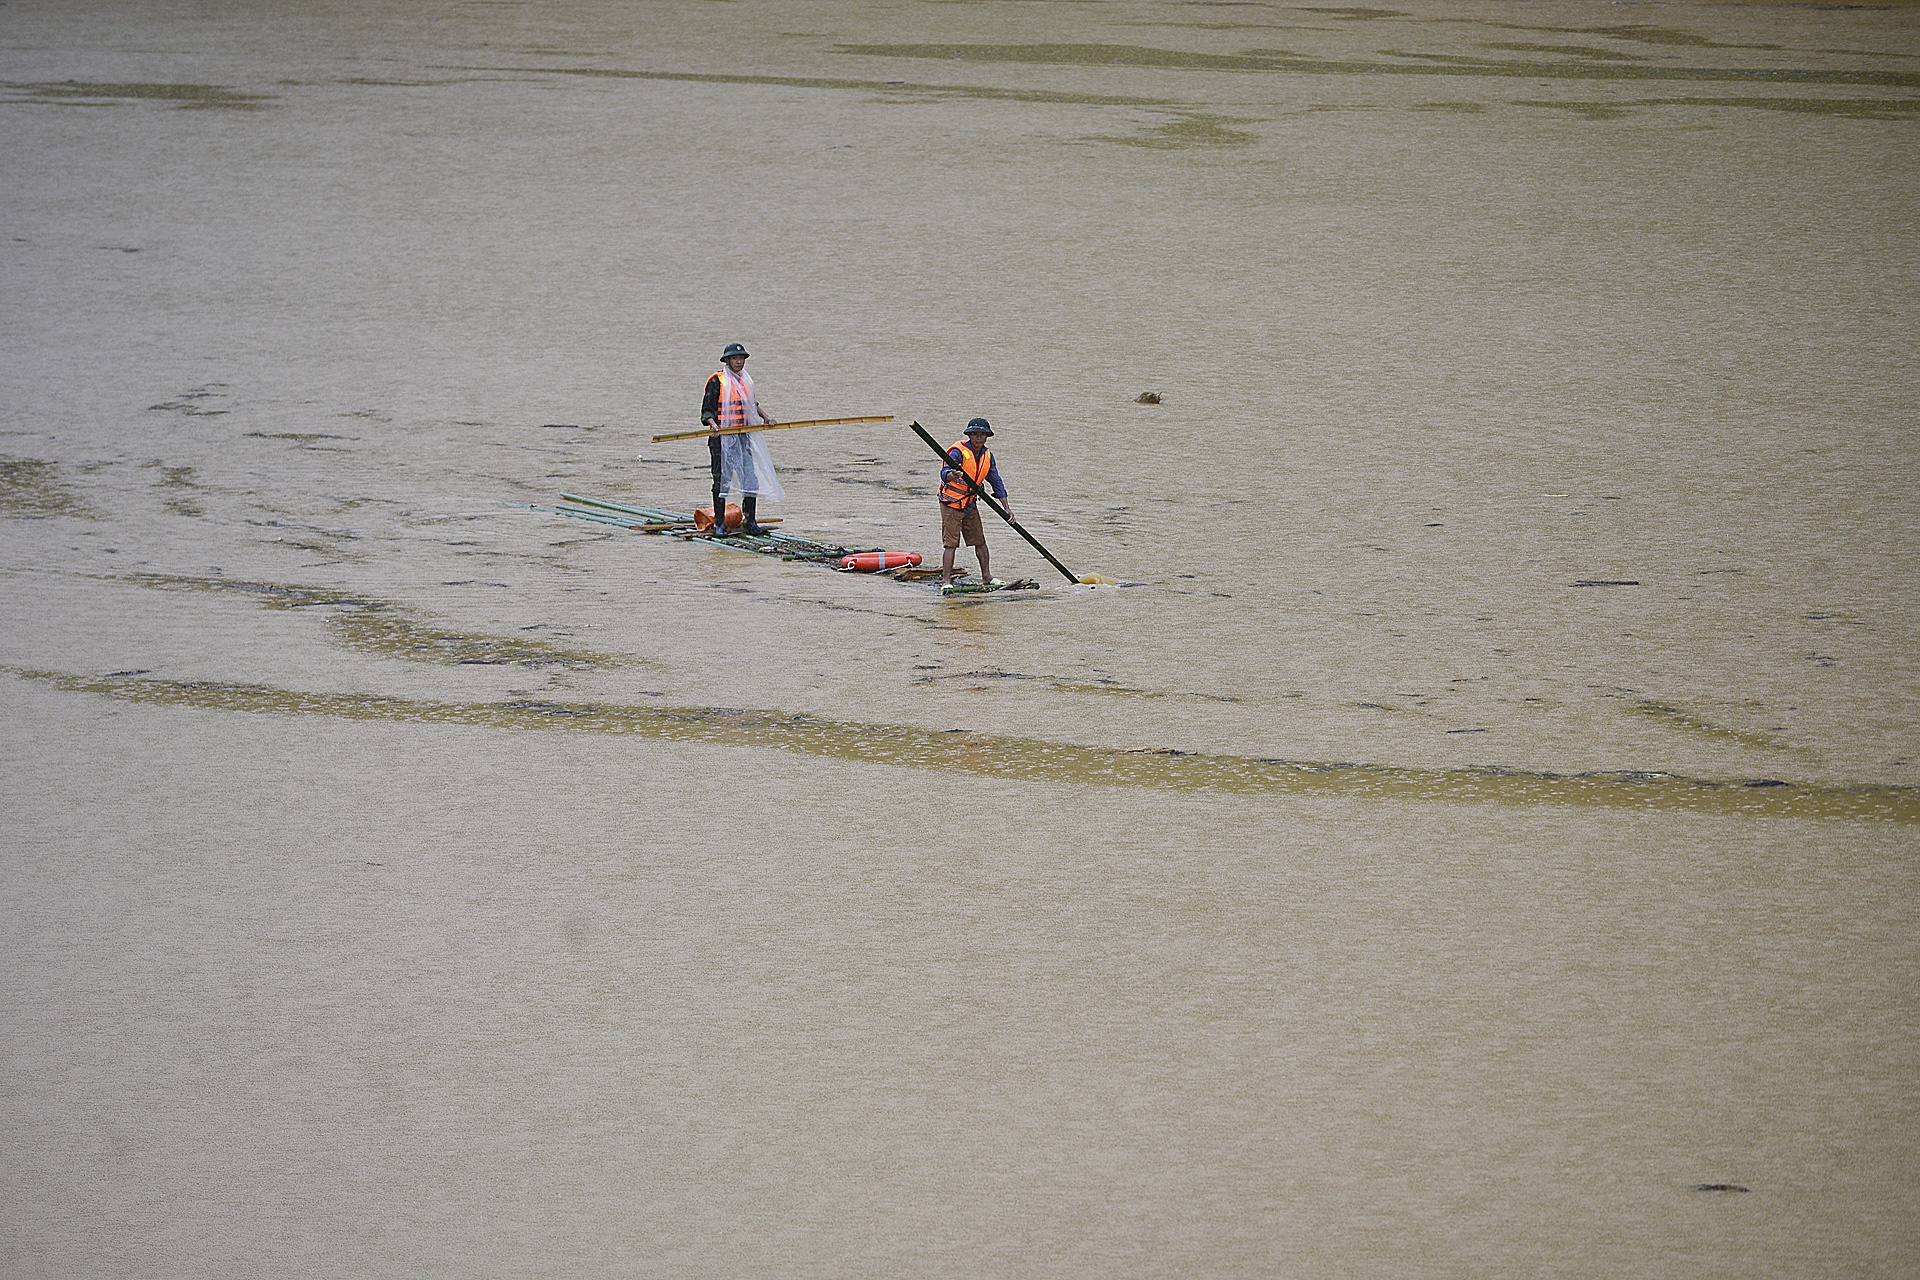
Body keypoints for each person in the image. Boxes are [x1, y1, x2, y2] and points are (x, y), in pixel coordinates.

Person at [700, 342, 782, 535]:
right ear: (727, 361)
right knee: (721, 480)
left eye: (741, 358)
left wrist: (766, 417)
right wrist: (714, 425)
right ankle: (720, 523)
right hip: (721, 439)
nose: (738, 362)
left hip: (742, 437)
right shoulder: (717, 381)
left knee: (749, 478)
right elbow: (706, 410)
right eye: (735, 358)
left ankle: (750, 521)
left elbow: (752, 404)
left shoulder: (746, 381)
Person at [938, 417, 1010, 589]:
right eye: (975, 434)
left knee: (980, 541)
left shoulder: (987, 456)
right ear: (969, 435)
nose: (979, 438)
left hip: (970, 503)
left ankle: (987, 576)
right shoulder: (958, 451)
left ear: (987, 437)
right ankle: (946, 582)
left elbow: (996, 481)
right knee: (951, 543)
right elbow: (945, 472)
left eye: (982, 435)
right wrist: (952, 475)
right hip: (951, 503)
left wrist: (1006, 508)